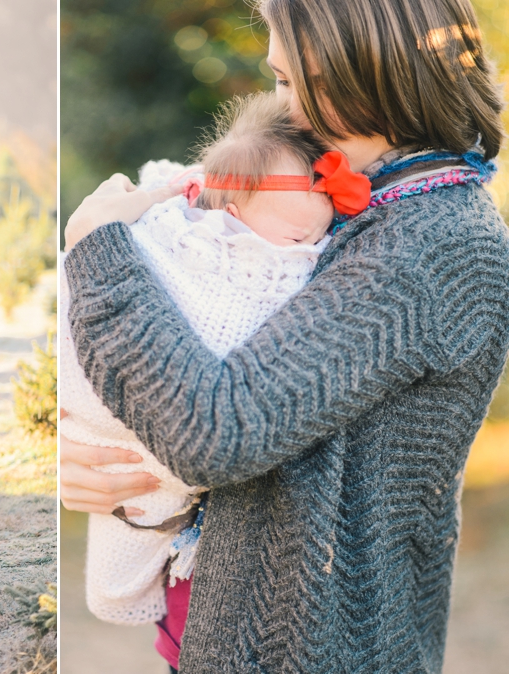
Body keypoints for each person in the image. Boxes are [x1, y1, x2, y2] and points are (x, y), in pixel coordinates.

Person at [59, 0, 509, 672]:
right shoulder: (373, 203)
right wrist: (119, 469)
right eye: (280, 81)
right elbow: (250, 405)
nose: (287, 110)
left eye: (301, 84)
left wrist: (96, 248)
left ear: (376, 72)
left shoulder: (430, 242)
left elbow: (218, 428)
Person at [62, 92, 373, 627]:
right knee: (132, 509)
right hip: (128, 425)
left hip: (231, 554)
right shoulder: (186, 227)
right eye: (300, 238)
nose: (311, 250)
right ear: (231, 213)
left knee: (143, 512)